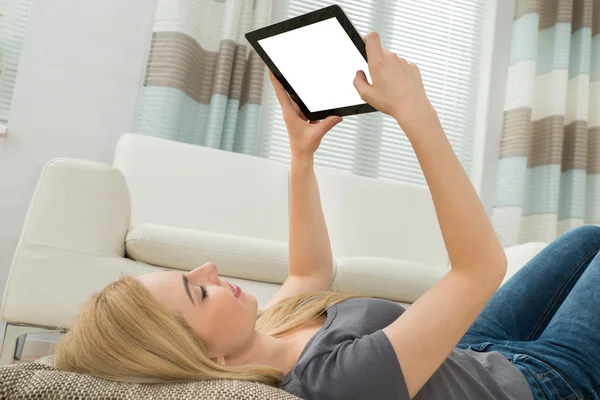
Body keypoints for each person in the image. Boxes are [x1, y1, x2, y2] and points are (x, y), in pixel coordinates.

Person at [55, 32, 600, 400]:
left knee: (586, 238)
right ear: (210, 359)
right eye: (198, 292)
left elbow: (311, 271)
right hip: (544, 382)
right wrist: (414, 110)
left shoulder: (267, 331)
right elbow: (478, 269)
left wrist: (300, 155)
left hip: (472, 351)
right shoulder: (333, 384)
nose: (210, 270)